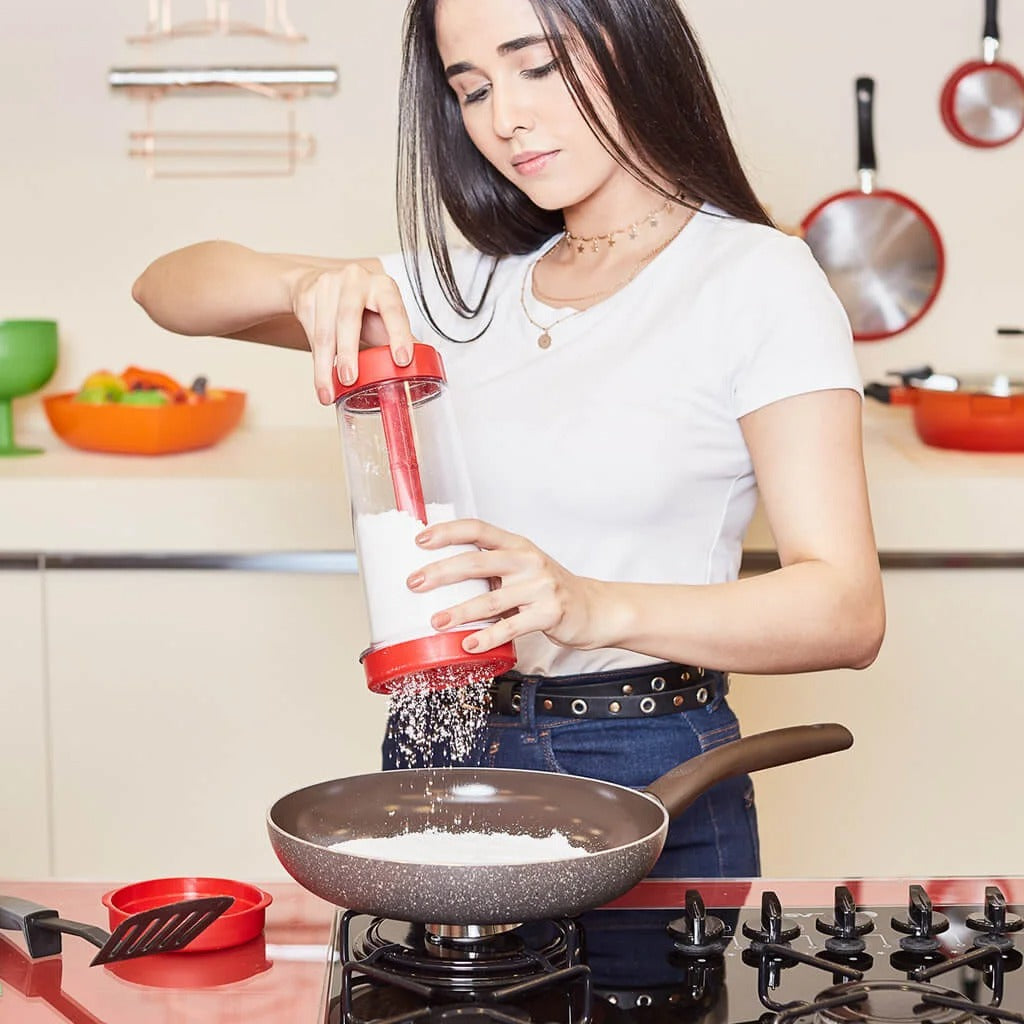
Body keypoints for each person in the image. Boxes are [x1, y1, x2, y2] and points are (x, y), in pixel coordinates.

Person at [132, 0, 885, 880]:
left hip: (641, 759)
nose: (503, 118)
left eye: (536, 67)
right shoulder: (461, 292)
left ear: (633, 44)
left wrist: (590, 604)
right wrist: (312, 280)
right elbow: (166, 290)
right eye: (472, 88)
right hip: (435, 740)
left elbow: (846, 610)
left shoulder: (755, 282)